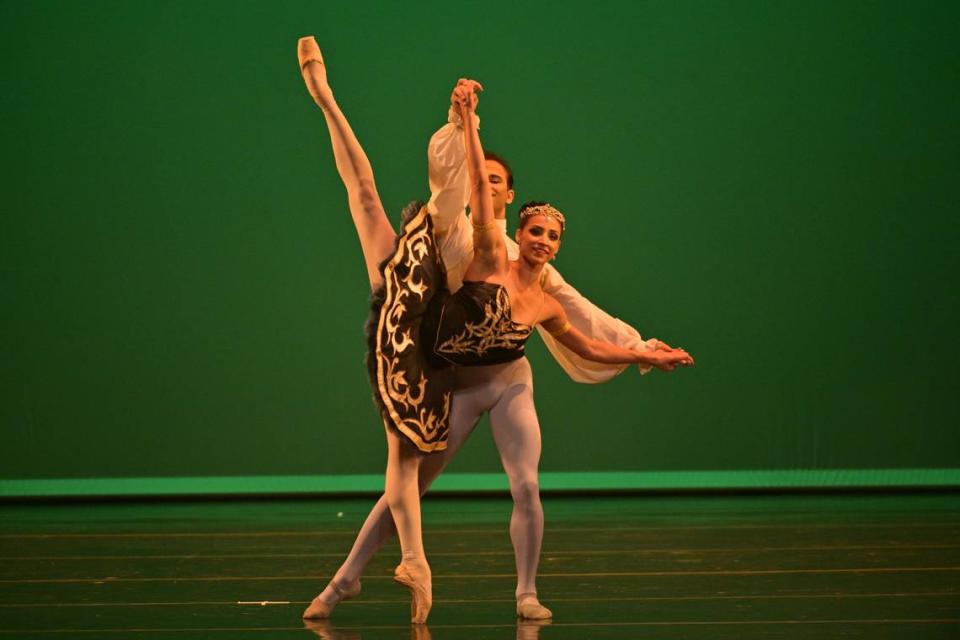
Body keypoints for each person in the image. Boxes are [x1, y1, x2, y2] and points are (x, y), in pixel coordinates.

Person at [296, 37, 694, 624]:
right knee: (405, 479)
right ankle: (345, 580)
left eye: (550, 236)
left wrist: (639, 349)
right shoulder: (471, 238)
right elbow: (458, 193)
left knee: (524, 484)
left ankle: (524, 592)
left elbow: (583, 323)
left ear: (513, 198)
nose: (542, 242)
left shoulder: (529, 269)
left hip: (503, 379)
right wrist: (463, 122)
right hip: (439, 349)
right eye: (538, 232)